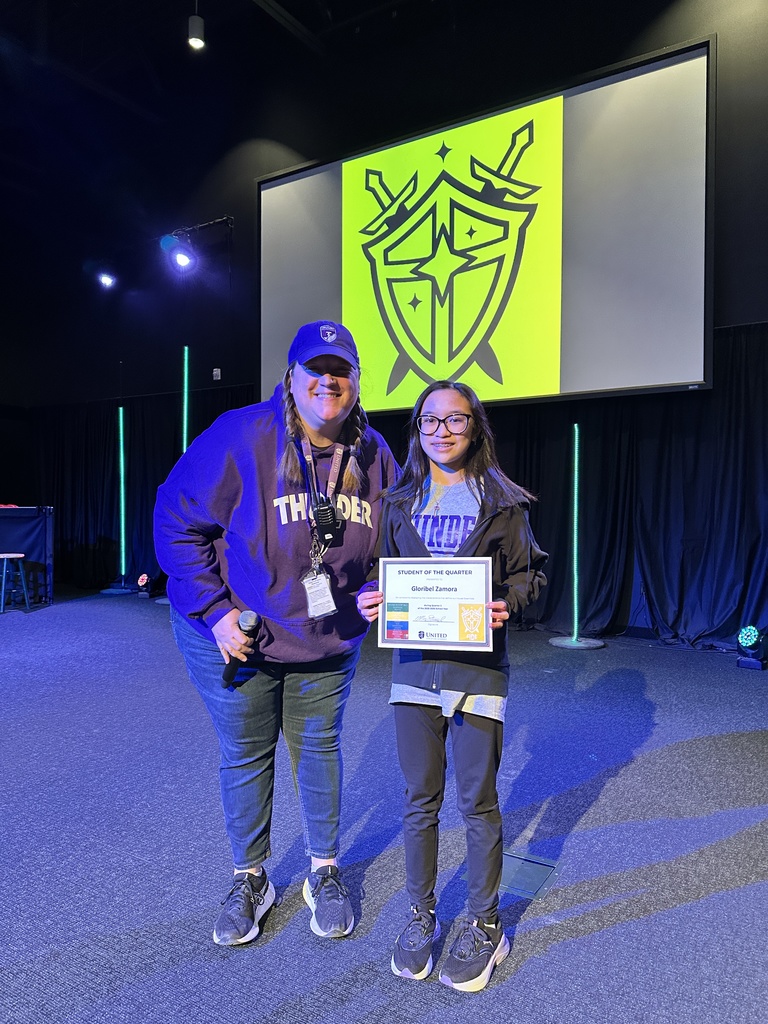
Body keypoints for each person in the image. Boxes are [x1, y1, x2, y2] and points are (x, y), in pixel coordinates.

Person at [154, 321, 398, 946]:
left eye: (339, 371)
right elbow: (175, 520)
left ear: (355, 384)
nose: (327, 381)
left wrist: (386, 585)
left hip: (326, 636)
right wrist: (213, 614)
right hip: (241, 635)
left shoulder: (373, 453)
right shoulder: (242, 436)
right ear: (290, 379)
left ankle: (324, 871)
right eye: (313, 369)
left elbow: (397, 538)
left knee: (319, 749)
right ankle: (251, 877)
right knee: (247, 752)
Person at [357, 380, 547, 993]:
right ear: (416, 429)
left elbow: (528, 576)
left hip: (476, 671)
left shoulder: (503, 502)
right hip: (412, 671)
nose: (441, 431)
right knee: (419, 802)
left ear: (475, 428)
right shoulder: (397, 501)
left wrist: (505, 604)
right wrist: (370, 600)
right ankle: (420, 917)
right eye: (429, 421)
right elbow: (377, 575)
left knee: (477, 803)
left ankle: (485, 922)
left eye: (455, 421)